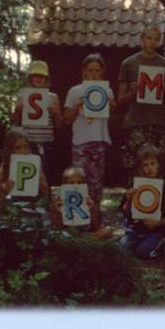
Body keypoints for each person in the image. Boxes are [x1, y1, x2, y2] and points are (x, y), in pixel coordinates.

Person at [116, 25, 165, 175]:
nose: (152, 42)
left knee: (157, 168)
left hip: (158, 122)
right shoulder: (128, 63)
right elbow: (120, 100)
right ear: (141, 39)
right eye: (149, 38)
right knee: (135, 166)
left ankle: (156, 198)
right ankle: (133, 197)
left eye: (156, 39)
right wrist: (131, 92)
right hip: (135, 122)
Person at [63, 53, 112, 229]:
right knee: (77, 184)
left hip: (99, 141)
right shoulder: (75, 91)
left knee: (96, 186)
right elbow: (66, 119)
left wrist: (111, 104)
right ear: (84, 71)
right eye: (90, 70)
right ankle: (76, 222)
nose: (93, 74)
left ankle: (94, 223)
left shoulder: (107, 90)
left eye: (97, 70)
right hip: (81, 143)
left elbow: (113, 112)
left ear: (103, 72)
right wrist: (77, 107)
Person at [11, 60, 62, 186]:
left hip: (46, 143)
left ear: (46, 78)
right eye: (35, 75)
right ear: (30, 78)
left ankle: (44, 203)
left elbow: (59, 125)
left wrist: (55, 112)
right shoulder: (22, 96)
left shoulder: (53, 97)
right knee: (28, 176)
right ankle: (28, 203)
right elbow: (16, 125)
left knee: (46, 175)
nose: (38, 78)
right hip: (28, 143)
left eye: (41, 76)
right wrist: (17, 111)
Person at [119, 146, 165, 259]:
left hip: (156, 231)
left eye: (153, 163)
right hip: (135, 230)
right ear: (140, 168)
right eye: (145, 165)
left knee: (142, 253)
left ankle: (160, 244)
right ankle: (130, 242)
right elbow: (126, 213)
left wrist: (157, 223)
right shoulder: (135, 184)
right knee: (123, 249)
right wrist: (129, 200)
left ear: (159, 165)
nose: (150, 168)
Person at [0, 127, 49, 202]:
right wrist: (4, 189)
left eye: (25, 146)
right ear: (10, 150)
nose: (23, 151)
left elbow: (46, 193)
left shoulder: (35, 162)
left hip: (33, 204)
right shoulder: (5, 166)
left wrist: (40, 179)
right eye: (18, 148)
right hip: (13, 204)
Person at [49, 166, 105, 235]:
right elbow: (55, 226)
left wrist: (91, 208)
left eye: (79, 182)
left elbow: (95, 226)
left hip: (84, 233)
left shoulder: (87, 198)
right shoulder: (58, 199)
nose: (75, 185)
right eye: (71, 183)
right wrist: (57, 210)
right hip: (65, 233)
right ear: (64, 184)